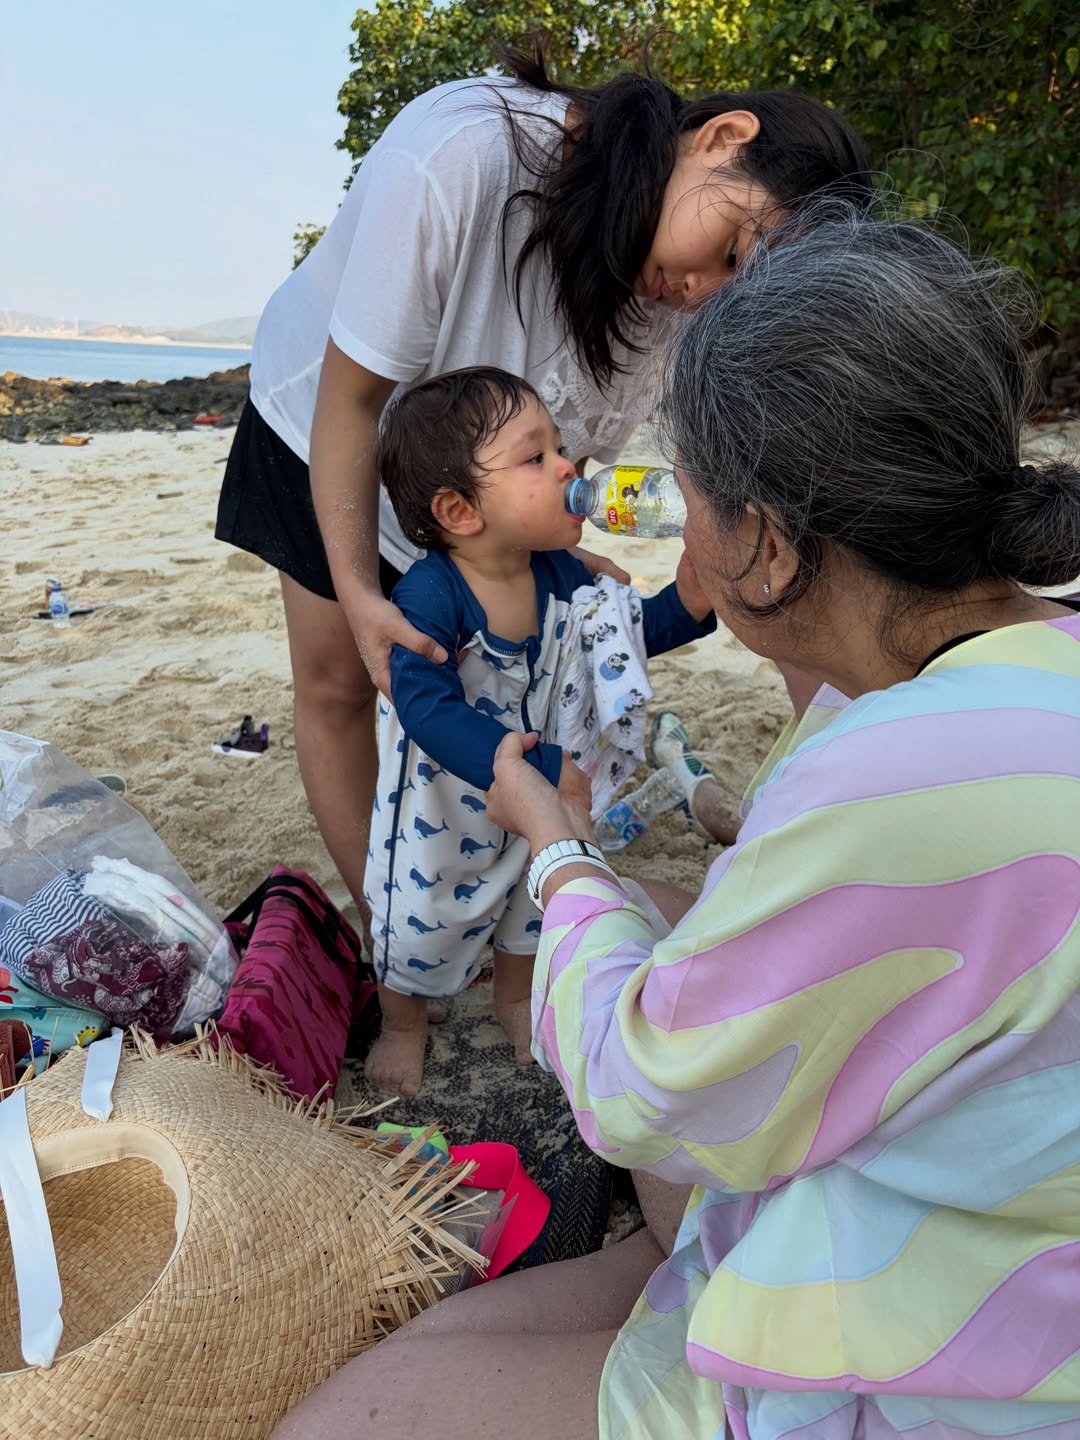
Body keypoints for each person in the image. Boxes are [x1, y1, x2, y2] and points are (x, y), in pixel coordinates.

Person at [272, 211, 1080, 1439]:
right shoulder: (1009, 670)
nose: (630, 515)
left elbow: (641, 1089)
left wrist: (557, 845)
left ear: (761, 545)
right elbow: (436, 699)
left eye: (689, 500)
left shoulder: (886, 774)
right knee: (532, 930)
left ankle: (689, 1303)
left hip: (937, 1361)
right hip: (981, 1232)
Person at [215, 42, 871, 926]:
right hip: (331, 429)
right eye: (731, 246)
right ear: (722, 137)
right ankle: (390, 941)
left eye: (735, 285)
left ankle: (490, 911)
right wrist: (363, 592)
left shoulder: (678, 294)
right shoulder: (463, 156)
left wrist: (855, 751)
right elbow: (355, 398)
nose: (702, 290)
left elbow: (711, 497)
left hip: (494, 466)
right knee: (344, 679)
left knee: (500, 687)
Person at [363, 366, 715, 1096]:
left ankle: (517, 997)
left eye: (559, 448)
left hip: (543, 784)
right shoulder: (432, 594)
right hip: (443, 804)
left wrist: (685, 600)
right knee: (419, 919)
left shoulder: (557, 572)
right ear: (461, 510)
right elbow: (422, 705)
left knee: (534, 898)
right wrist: (518, 762)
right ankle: (403, 1021)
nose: (567, 467)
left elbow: (618, 640)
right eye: (536, 457)